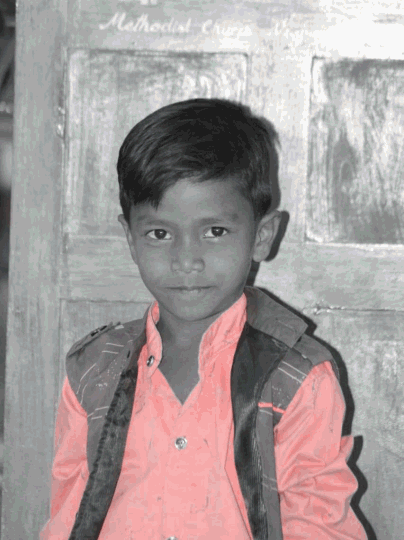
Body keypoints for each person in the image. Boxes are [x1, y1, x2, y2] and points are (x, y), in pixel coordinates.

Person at [40, 98, 367, 540]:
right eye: (160, 233)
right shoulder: (92, 370)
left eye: (214, 231)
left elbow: (319, 523)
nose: (186, 260)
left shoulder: (297, 377)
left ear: (262, 236)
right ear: (130, 239)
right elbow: (67, 516)